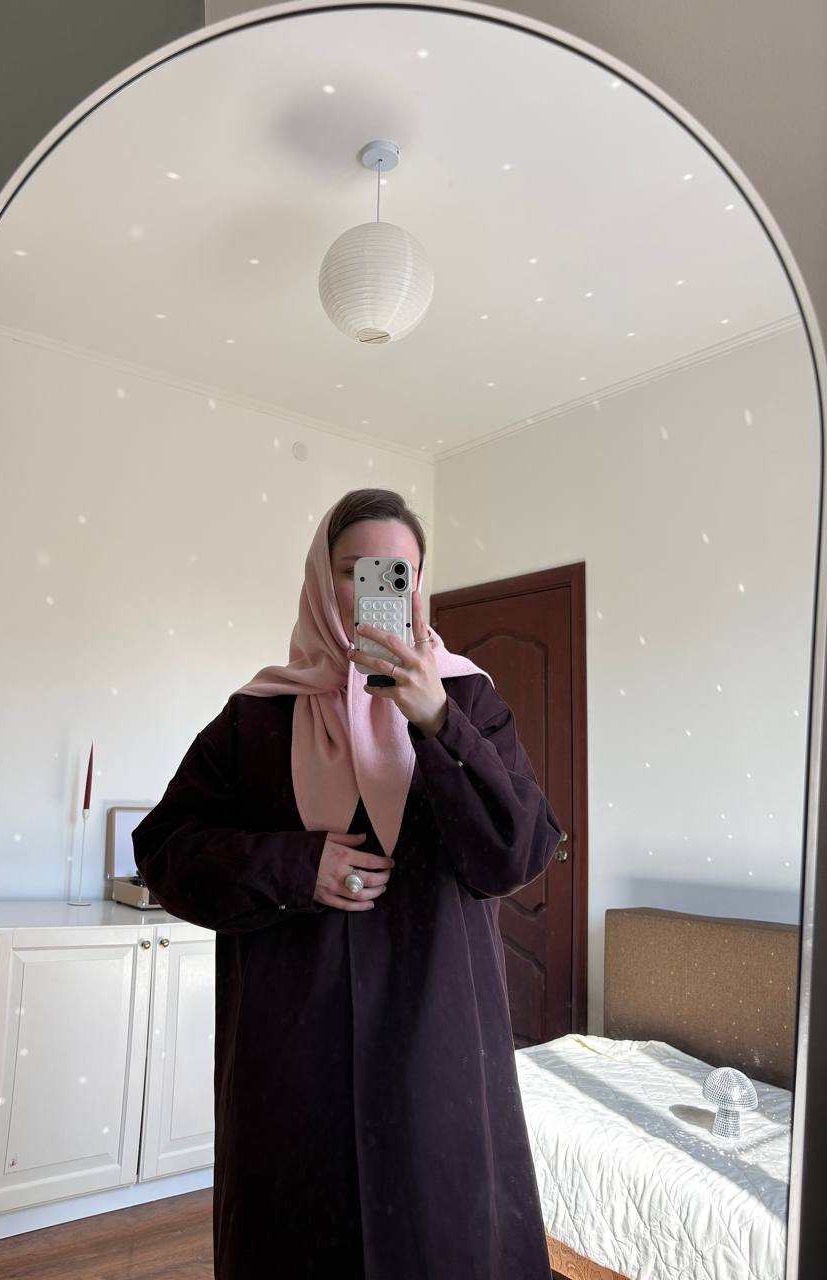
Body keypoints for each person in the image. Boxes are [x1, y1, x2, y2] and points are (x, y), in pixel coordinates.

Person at [131, 489, 562, 1280]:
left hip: (437, 1041)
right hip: (295, 1051)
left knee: (442, 1239)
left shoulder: (469, 697)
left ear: (419, 585)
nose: (376, 589)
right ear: (319, 582)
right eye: (354, 569)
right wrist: (300, 866)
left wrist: (437, 720)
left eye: (397, 572)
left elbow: (517, 851)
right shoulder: (258, 717)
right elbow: (163, 849)